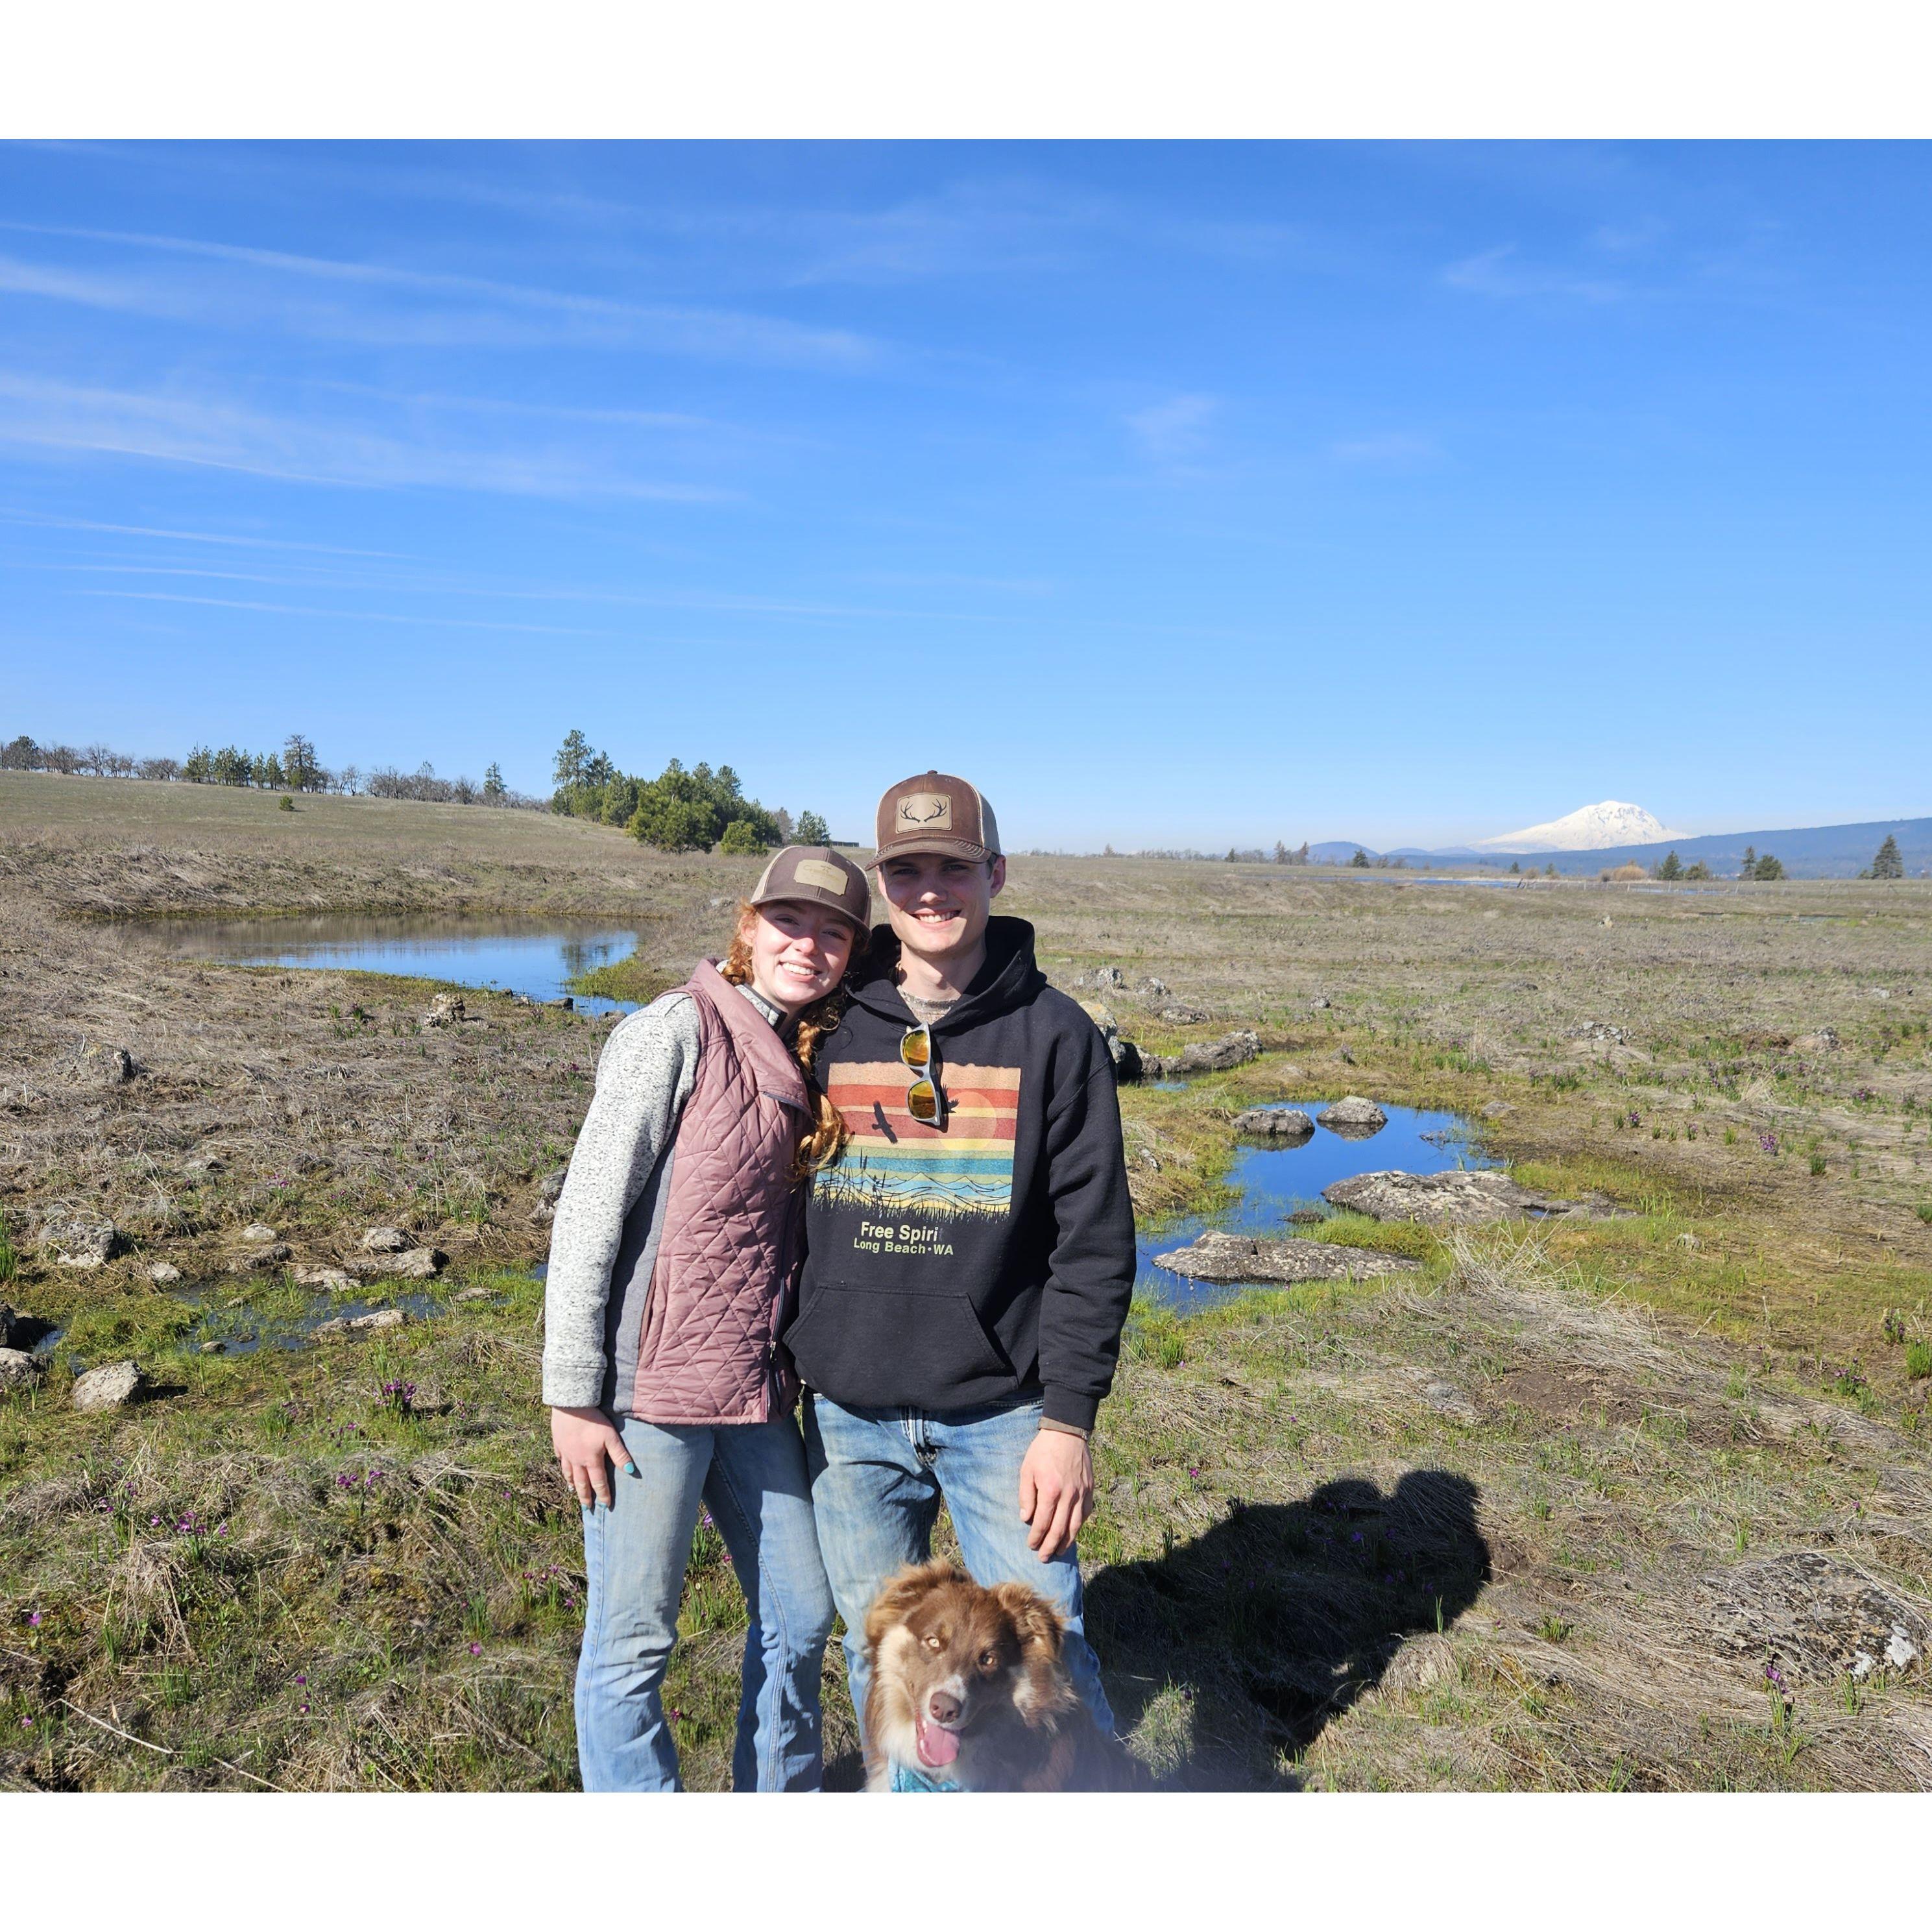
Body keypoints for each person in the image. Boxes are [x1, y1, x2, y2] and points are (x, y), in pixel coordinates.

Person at [783, 772, 1136, 1776]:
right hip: (850, 1414)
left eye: (953, 866)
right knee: (890, 1658)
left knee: (1045, 1651)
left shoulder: (1057, 1035)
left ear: (995, 871)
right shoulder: (827, 1020)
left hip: (1003, 1414)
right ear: (881, 882)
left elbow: (1094, 1240)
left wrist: (1066, 1423)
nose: (930, 891)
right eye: (906, 870)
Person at [542, 844, 871, 1793]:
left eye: (834, 932)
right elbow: (589, 1212)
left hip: (753, 1390)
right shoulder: (673, 1031)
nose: (807, 945)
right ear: (748, 925)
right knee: (633, 1639)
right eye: (789, 922)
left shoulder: (809, 1044)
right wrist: (573, 1395)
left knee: (802, 1611)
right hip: (648, 1397)